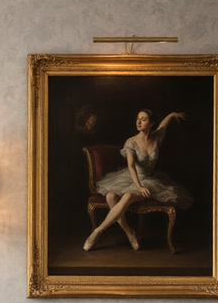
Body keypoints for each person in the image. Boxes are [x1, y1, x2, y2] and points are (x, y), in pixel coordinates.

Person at [83, 108, 193, 252]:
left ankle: (98, 232)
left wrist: (172, 115)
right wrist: (139, 187)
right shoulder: (131, 142)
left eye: (143, 119)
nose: (139, 122)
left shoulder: (157, 136)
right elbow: (130, 166)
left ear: (151, 123)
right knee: (110, 195)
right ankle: (129, 232)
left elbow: (163, 125)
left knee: (128, 195)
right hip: (131, 177)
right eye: (137, 118)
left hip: (150, 180)